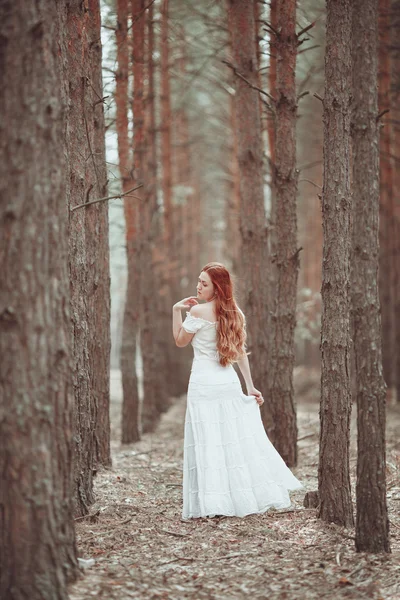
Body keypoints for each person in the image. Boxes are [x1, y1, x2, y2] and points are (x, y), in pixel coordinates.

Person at [172, 262, 304, 520]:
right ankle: (236, 499)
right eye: (198, 281)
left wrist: (176, 310)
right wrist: (249, 386)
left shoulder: (197, 312)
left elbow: (179, 341)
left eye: (204, 283)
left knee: (209, 441)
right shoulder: (235, 313)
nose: (198, 287)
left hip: (203, 384)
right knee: (230, 439)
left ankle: (212, 503)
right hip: (228, 382)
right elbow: (240, 352)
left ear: (217, 287)